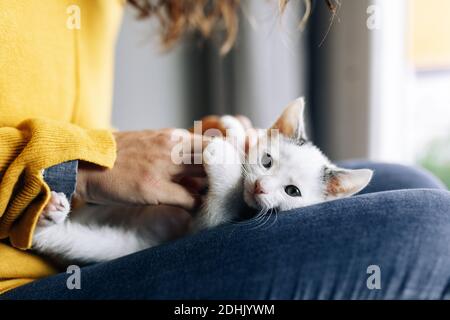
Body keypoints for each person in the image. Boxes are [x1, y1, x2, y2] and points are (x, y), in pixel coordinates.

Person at [1, 0, 450, 299]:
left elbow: (71, 123)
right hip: (16, 272)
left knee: (407, 181)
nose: (262, 181)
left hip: (61, 206)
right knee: (435, 228)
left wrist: (167, 153)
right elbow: (79, 150)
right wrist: (81, 166)